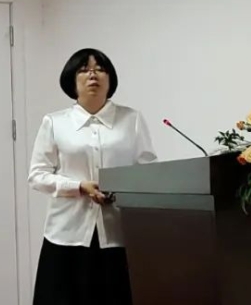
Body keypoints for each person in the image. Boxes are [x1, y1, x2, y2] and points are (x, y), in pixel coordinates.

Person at [29, 48, 156, 305]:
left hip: (117, 233)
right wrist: (79, 187)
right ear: (72, 80)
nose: (93, 75)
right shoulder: (54, 122)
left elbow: (148, 171)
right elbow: (37, 175)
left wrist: (121, 191)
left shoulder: (131, 119)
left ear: (110, 79)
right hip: (66, 234)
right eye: (84, 70)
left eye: (100, 69)